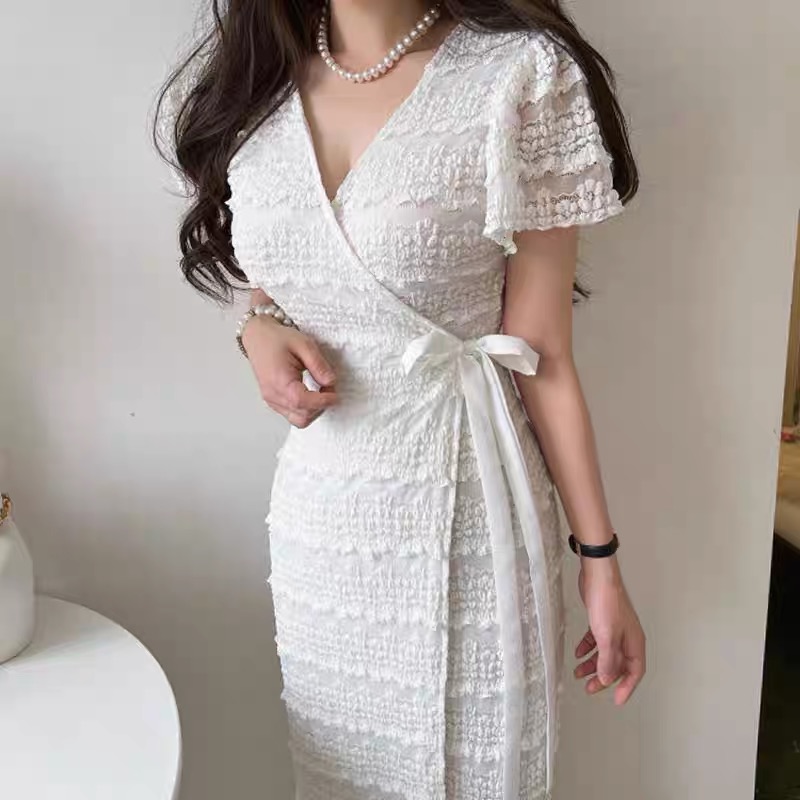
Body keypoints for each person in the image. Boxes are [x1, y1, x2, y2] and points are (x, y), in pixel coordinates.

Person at [156, 1, 646, 797]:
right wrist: (257, 329)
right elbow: (278, 273)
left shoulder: (520, 75)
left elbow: (543, 354)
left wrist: (600, 560)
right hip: (325, 532)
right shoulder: (255, 85)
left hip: (471, 507)